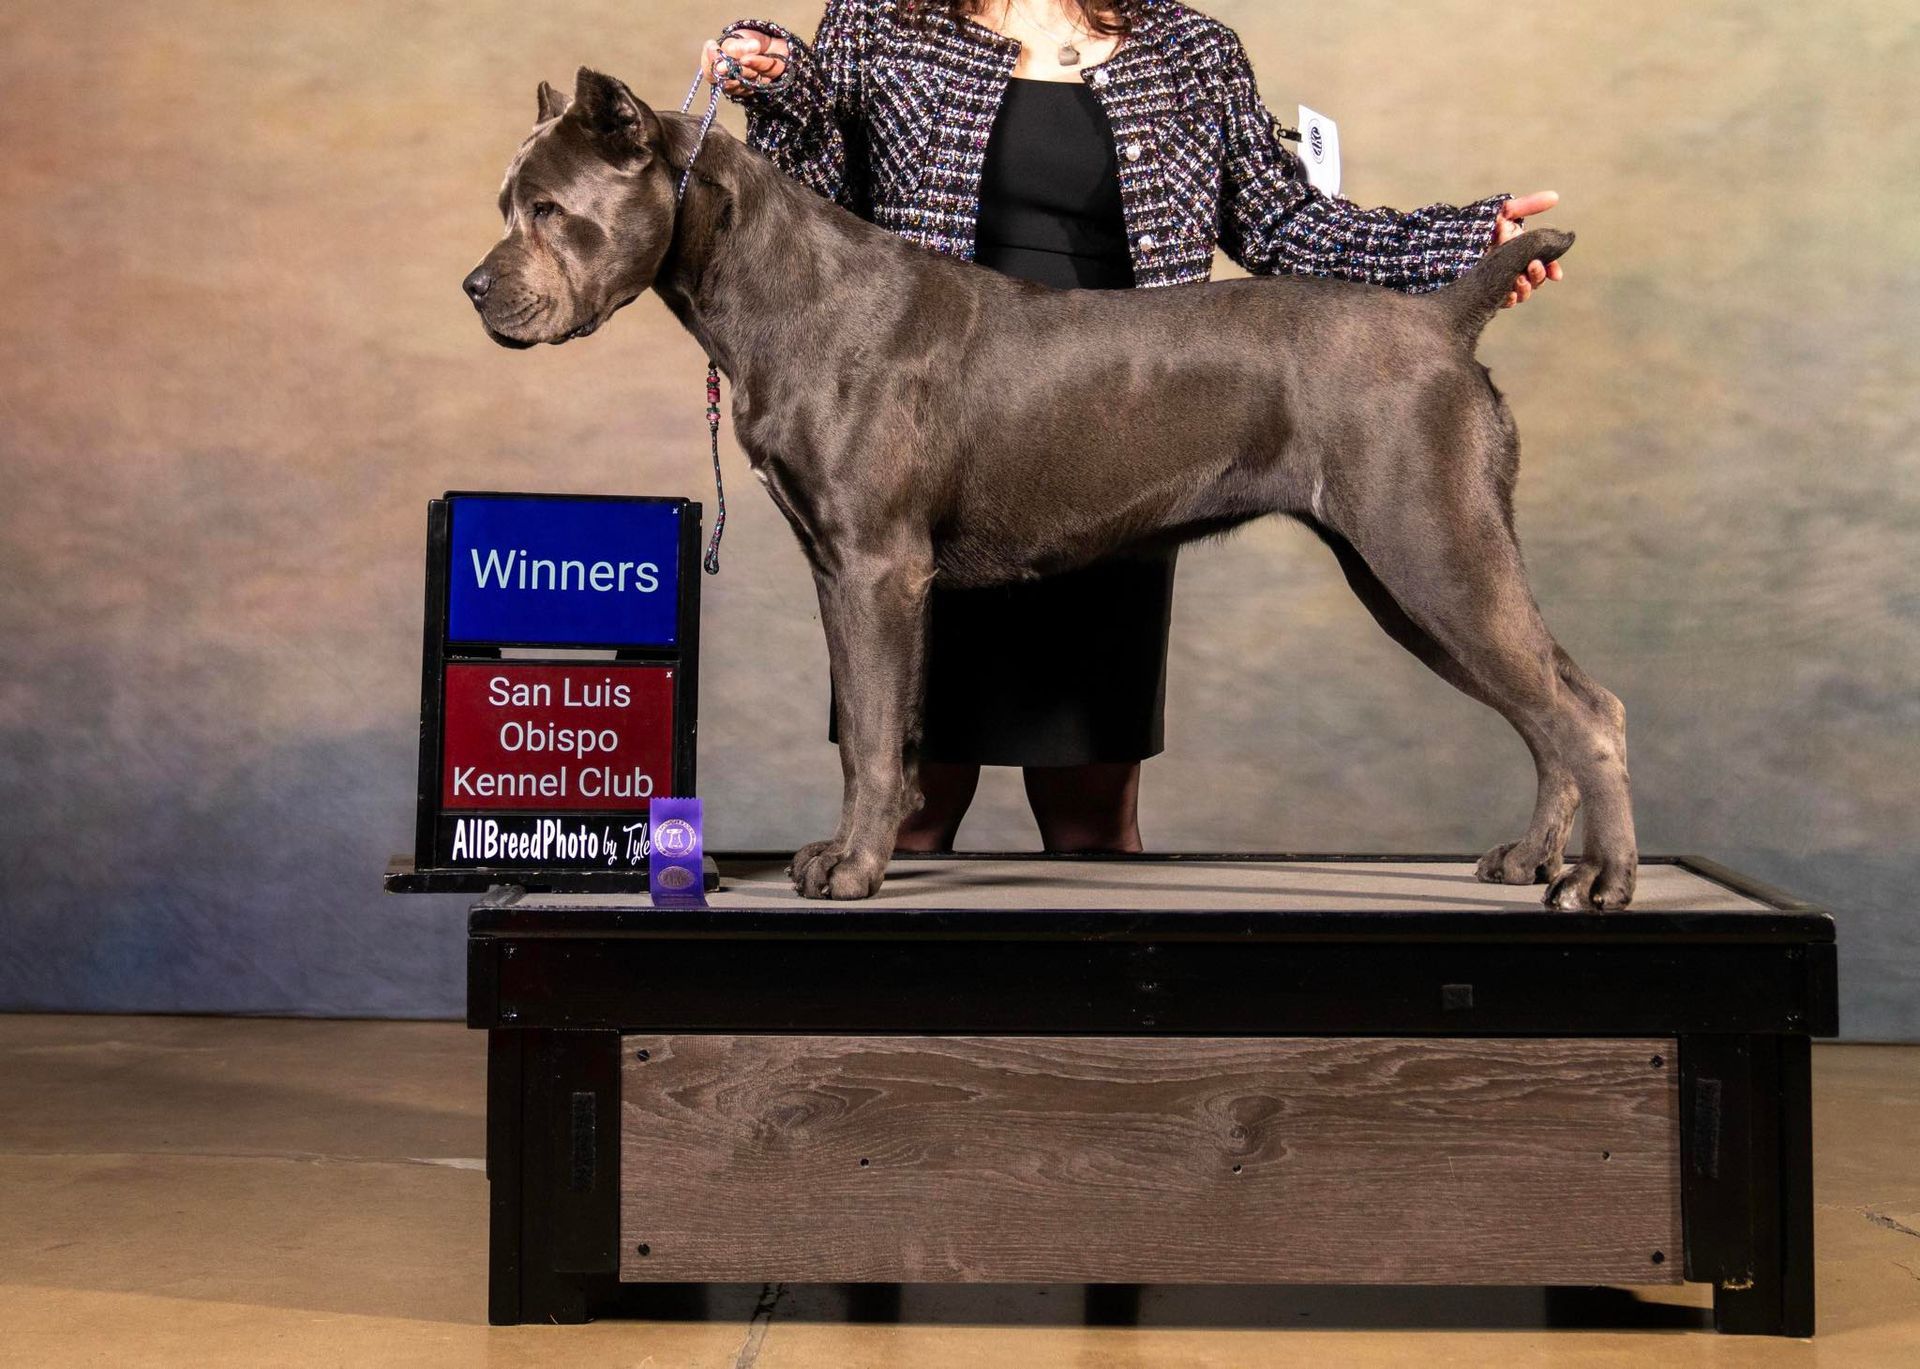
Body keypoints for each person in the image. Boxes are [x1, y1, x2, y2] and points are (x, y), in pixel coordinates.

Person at [700, 0, 1561, 854]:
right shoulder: (882, 22)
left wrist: (1458, 248)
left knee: (1093, 815)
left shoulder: (1192, 50)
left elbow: (1286, 225)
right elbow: (812, 214)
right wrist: (781, 82)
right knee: (917, 817)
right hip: (931, 431)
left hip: (1127, 433)